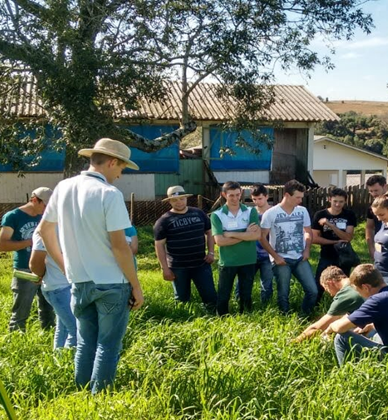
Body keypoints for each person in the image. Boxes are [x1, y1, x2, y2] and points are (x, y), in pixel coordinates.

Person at [39, 138, 144, 394]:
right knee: (108, 345)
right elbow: (120, 246)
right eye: (121, 168)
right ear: (111, 162)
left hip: (79, 281)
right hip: (111, 282)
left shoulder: (63, 187)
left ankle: (82, 395)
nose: (120, 175)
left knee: (86, 342)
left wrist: (65, 266)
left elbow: (44, 230)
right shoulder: (109, 193)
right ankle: (101, 398)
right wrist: (136, 285)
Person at [154, 185, 217, 313]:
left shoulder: (199, 213)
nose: (179, 202)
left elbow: (209, 233)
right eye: (175, 200)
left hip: (201, 264)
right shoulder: (163, 221)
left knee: (210, 297)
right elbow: (159, 245)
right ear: (169, 201)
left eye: (182, 199)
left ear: (186, 199)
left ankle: (214, 318)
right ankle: (183, 321)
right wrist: (165, 268)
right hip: (178, 267)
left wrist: (211, 252)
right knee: (182, 299)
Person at [1, 187, 55, 332]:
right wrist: (30, 242)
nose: (47, 209)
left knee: (48, 312)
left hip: (47, 269)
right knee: (20, 313)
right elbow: (2, 244)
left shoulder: (46, 216)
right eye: (45, 205)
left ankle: (48, 340)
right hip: (24, 270)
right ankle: (15, 341)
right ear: (34, 200)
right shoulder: (13, 217)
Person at [260, 179, 317, 317]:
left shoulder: (302, 211)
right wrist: (275, 256)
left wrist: (307, 249)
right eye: (297, 197)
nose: (300, 201)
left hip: (300, 257)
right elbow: (262, 237)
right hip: (281, 259)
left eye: (301, 197)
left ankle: (304, 316)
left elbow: (308, 232)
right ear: (286, 195)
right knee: (283, 293)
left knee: (313, 291)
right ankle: (285, 318)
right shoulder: (271, 213)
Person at [211, 181, 261, 315]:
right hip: (228, 261)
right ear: (223, 194)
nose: (234, 198)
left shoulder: (250, 211)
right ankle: (221, 320)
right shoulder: (217, 215)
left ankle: (247, 319)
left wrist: (232, 234)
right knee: (223, 295)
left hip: (248, 260)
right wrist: (246, 234)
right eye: (231, 195)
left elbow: (256, 235)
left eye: (237, 195)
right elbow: (220, 241)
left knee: (246, 294)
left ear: (241, 194)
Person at [30, 227, 77, 350]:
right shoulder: (46, 228)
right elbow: (35, 263)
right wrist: (40, 274)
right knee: (77, 330)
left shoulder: (67, 224)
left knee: (64, 328)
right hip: (58, 287)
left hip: (68, 285)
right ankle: (70, 365)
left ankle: (59, 362)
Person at [294, 266, 364, 342]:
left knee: (339, 334)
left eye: (326, 289)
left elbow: (317, 328)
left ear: (330, 283)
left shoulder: (344, 296)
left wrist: (295, 341)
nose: (330, 294)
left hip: (372, 331)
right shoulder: (356, 282)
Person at [311, 187, 357, 302]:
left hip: (344, 255)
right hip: (327, 254)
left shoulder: (349, 215)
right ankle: (313, 308)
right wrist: (335, 241)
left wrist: (330, 224)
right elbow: (314, 238)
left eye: (341, 202)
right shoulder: (320, 214)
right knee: (319, 284)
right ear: (329, 199)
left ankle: (343, 308)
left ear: (345, 201)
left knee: (345, 285)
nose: (337, 204)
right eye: (335, 201)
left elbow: (347, 237)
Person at [249, 184, 274, 303]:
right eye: (254, 199)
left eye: (260, 198)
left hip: (268, 254)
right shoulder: (250, 213)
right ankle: (241, 303)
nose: (257, 202)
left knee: (267, 283)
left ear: (266, 197)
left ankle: (266, 306)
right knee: (244, 281)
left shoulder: (273, 212)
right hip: (251, 253)